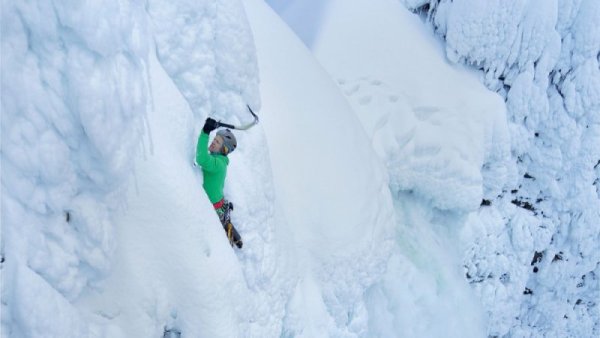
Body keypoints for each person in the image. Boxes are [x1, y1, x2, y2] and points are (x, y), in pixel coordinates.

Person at [196, 117, 242, 248]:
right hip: (218, 203)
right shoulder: (218, 160)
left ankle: (233, 240)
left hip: (215, 208)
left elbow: (202, 159)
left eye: (217, 142)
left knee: (221, 236)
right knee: (224, 223)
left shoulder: (219, 164)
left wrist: (205, 132)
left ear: (224, 150)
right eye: (214, 140)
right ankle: (229, 225)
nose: (213, 142)